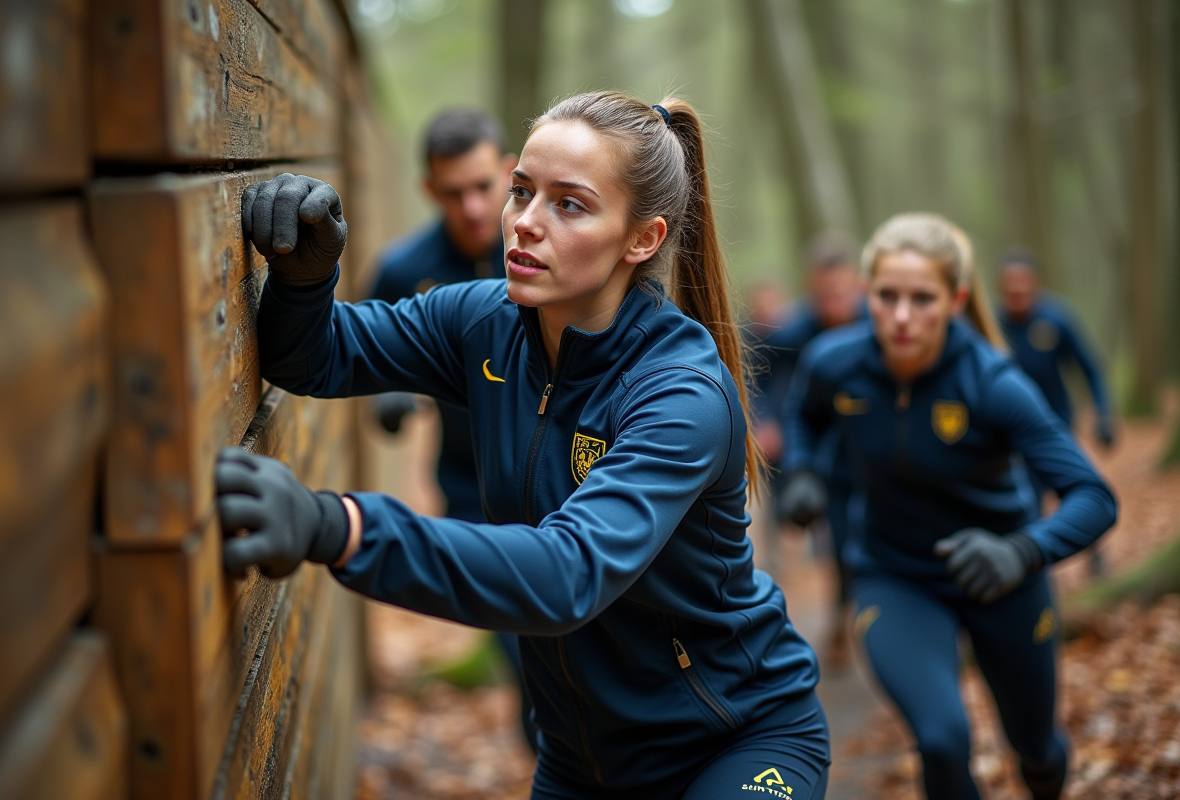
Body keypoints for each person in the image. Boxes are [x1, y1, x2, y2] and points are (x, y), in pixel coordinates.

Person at [222, 92, 830, 798]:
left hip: (735, 741)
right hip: (581, 764)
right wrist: (305, 278)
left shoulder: (680, 393)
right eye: (522, 192)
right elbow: (316, 359)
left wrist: (342, 527)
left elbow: (566, 574)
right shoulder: (484, 321)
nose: (524, 224)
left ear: (642, 238)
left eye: (569, 204)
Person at [780, 213, 1116, 800]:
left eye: (923, 299)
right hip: (895, 575)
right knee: (940, 740)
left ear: (956, 300)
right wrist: (802, 475)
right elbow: (804, 420)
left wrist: (1022, 551)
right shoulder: (834, 364)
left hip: (1004, 579)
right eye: (887, 296)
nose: (902, 316)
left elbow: (1094, 497)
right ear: (866, 294)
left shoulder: (993, 384)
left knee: (1037, 752)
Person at [367, 107, 538, 750]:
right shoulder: (405, 267)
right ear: (428, 191)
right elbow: (363, 339)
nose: (470, 208)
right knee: (519, 627)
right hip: (471, 483)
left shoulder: (542, 244)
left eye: (482, 188)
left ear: (506, 172)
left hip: (560, 470)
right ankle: (547, 747)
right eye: (451, 193)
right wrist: (385, 395)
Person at [753, 233, 865, 668]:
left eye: (840, 294)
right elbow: (756, 374)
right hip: (826, 460)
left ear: (856, 284)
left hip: (883, 457)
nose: (832, 305)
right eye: (823, 296)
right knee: (839, 547)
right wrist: (764, 421)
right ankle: (840, 622)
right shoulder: (795, 332)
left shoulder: (881, 326)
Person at [998, 248, 1115, 574]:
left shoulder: (1057, 318)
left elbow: (1090, 368)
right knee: (1026, 496)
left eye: (1024, 285)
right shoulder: (993, 324)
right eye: (1011, 287)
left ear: (1036, 285)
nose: (1018, 293)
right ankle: (1032, 566)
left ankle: (1095, 553)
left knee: (1074, 487)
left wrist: (1104, 414)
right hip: (1011, 432)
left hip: (1057, 423)